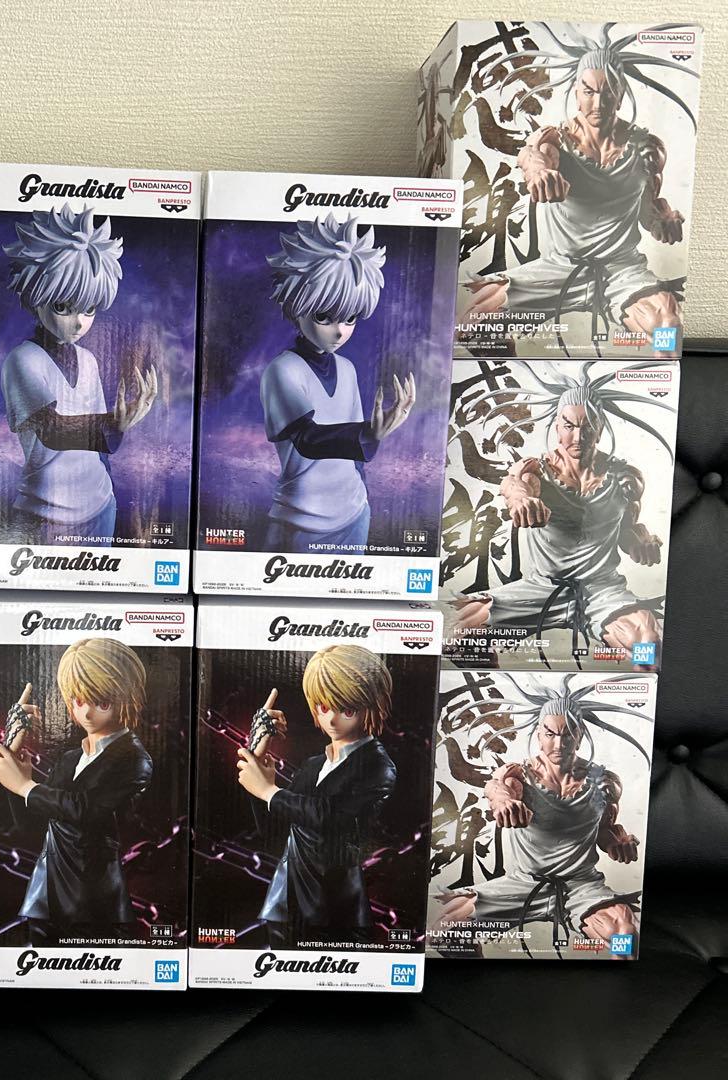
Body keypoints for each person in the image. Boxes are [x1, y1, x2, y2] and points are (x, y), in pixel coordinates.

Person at [460, 23, 697, 354]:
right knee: (474, 326)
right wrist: (540, 175)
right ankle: (521, 381)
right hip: (562, 268)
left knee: (667, 327)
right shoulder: (555, 139)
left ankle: (661, 381)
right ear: (576, 92)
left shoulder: (647, 149)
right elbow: (534, 158)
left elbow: (650, 212)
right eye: (589, 92)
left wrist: (665, 222)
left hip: (622, 271)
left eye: (608, 92)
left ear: (621, 94)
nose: (598, 103)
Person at [452, 361, 672, 667]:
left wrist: (641, 542)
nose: (578, 437)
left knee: (648, 645)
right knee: (457, 632)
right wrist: (522, 502)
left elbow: (628, 529)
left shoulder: (625, 478)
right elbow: (515, 486)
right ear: (557, 428)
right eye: (569, 426)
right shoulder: (536, 470)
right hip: (542, 588)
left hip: (601, 590)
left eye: (587, 426)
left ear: (600, 428)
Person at [432, 674, 648, 956]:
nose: (559, 744)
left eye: (567, 734)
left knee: (625, 936)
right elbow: (497, 790)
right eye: (550, 734)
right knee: (445, 933)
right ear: (538, 734)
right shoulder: (518, 775)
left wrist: (618, 844)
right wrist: (505, 804)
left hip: (581, 886)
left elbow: (606, 829)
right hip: (524, 884)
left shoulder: (603, 782)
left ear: (580, 735)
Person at [0, 203, 158, 545]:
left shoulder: (88, 360)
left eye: (88, 309)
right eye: (62, 307)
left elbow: (100, 447)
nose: (78, 322)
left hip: (100, 506)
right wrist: (113, 422)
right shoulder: (23, 360)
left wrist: (117, 427)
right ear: (35, 297)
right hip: (43, 514)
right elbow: (52, 430)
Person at [260, 213, 415, 555]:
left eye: (350, 318)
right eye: (324, 316)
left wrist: (370, 442)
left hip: (355, 512)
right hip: (300, 519)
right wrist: (368, 432)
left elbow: (356, 457)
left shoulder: (347, 369)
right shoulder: (283, 371)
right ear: (297, 306)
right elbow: (308, 439)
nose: (340, 331)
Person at [0, 638, 153, 944]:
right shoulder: (69, 759)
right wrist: (16, 773)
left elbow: (85, 810)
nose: (87, 713)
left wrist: (26, 785)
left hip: (92, 901)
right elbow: (32, 823)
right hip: (44, 895)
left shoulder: (134, 758)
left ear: (127, 696)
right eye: (79, 701)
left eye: (102, 702)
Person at [235, 645, 397, 947]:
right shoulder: (313, 765)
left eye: (347, 710)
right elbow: (276, 830)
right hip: (284, 904)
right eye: (323, 707)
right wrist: (259, 763)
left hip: (335, 911)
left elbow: (329, 816)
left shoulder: (377, 765)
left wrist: (269, 790)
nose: (332, 719)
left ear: (372, 704)